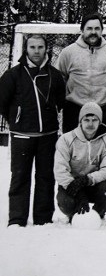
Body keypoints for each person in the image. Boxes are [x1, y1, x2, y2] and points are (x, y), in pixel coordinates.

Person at [0, 34, 66, 227]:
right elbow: (2, 102)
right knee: (20, 176)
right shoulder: (13, 75)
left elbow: (60, 100)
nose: (36, 51)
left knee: (45, 177)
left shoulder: (54, 75)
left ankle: (43, 218)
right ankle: (17, 219)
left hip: (47, 135)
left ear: (46, 49)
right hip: (22, 135)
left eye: (40, 47)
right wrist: (17, 118)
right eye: (32, 47)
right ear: (26, 49)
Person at [56, 13, 106, 135]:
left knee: (103, 150)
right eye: (89, 28)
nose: (93, 32)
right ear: (82, 30)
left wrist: (102, 98)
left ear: (102, 30)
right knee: (74, 150)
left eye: (97, 28)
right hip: (75, 109)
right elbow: (59, 79)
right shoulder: (68, 52)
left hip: (103, 109)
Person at [54, 102, 106, 223]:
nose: (90, 124)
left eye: (94, 120)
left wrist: (87, 180)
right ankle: (75, 215)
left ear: (100, 121)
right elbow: (60, 171)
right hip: (71, 185)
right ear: (80, 121)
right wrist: (79, 192)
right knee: (66, 202)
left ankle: (97, 215)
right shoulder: (66, 139)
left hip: (93, 183)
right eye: (86, 120)